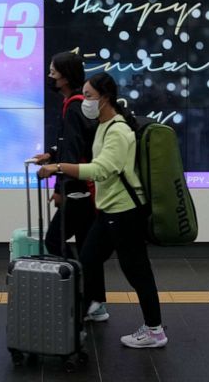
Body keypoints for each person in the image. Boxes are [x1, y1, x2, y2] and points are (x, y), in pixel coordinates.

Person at [38, 72, 167, 348]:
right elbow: (85, 150)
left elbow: (102, 169)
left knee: (136, 270)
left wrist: (59, 168)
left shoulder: (118, 130)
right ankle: (82, 316)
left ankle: (155, 330)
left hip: (125, 212)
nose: (84, 101)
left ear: (105, 98)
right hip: (109, 211)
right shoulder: (103, 125)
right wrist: (54, 154)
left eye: (89, 96)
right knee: (88, 259)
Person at [30, 51, 97, 260]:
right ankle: (87, 290)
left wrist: (60, 190)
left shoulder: (74, 107)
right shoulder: (77, 104)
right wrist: (51, 154)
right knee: (86, 248)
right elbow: (73, 144)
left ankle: (73, 282)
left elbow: (73, 152)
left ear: (65, 78)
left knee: (54, 240)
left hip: (78, 190)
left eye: (53, 73)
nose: (50, 78)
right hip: (85, 188)